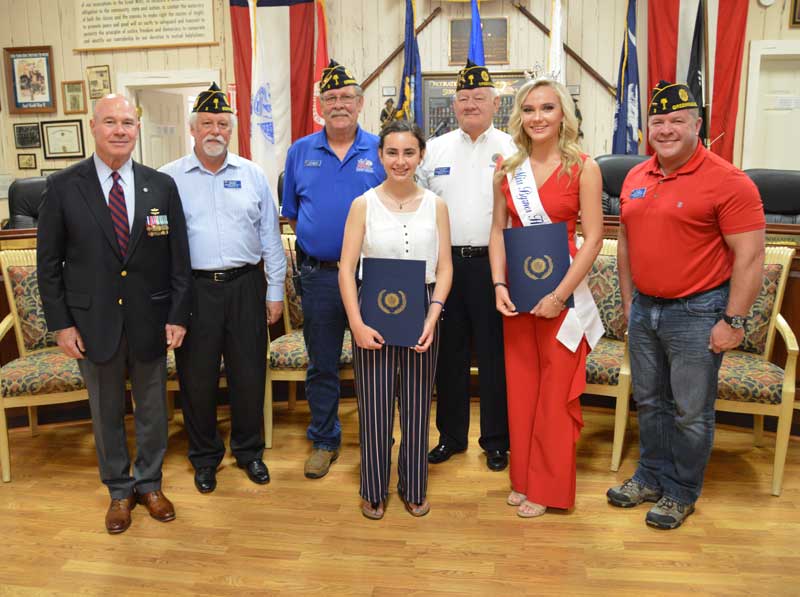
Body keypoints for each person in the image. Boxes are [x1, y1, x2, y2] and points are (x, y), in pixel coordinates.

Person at [607, 81, 765, 529]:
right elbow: (625, 245)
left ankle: (680, 491)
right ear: (647, 129)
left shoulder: (729, 181)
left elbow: (750, 256)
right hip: (645, 310)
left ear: (698, 124)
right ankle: (650, 476)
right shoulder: (636, 177)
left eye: (678, 120)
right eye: (658, 121)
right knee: (650, 403)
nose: (667, 129)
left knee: (691, 411)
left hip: (697, 313)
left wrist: (733, 320)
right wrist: (627, 302)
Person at [37, 94, 192, 534]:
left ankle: (150, 484)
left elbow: (178, 258)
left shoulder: (159, 185)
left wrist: (178, 314)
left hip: (151, 318)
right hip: (92, 323)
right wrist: (61, 324)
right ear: (93, 126)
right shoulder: (64, 185)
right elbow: (48, 266)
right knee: (106, 411)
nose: (120, 129)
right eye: (111, 121)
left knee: (152, 410)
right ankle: (119, 492)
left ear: (137, 129)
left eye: (127, 121)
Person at [160, 83, 286, 494]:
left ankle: (249, 452)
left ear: (231, 130)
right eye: (207, 124)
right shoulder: (167, 179)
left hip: (246, 286)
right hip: (193, 291)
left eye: (222, 124)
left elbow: (270, 237)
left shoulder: (251, 174)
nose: (215, 131)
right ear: (193, 129)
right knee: (196, 378)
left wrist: (275, 291)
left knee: (249, 372)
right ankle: (205, 458)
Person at [489, 78, 605, 518]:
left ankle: (550, 487)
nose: (538, 117)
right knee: (522, 390)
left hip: (564, 300)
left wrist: (559, 295)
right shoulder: (507, 169)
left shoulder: (583, 168)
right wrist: (499, 284)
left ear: (563, 116)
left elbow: (593, 239)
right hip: (518, 298)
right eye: (530, 109)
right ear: (520, 117)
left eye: (547, 108)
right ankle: (524, 479)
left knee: (555, 393)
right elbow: (497, 232)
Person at [339, 120, 453, 519]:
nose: (400, 161)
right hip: (372, 311)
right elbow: (347, 269)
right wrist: (356, 323)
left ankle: (413, 485)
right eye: (392, 152)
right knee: (374, 408)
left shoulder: (436, 205)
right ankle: (373, 487)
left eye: (409, 152)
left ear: (421, 155)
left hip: (422, 309)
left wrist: (434, 315)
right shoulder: (363, 204)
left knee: (418, 406)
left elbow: (445, 268)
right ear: (380, 156)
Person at [282, 60, 386, 479]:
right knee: (321, 362)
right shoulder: (299, 152)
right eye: (331, 98)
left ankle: (377, 440)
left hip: (372, 276)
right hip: (320, 276)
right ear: (319, 106)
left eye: (346, 97)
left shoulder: (380, 149)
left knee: (374, 363)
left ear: (360, 103)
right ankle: (324, 440)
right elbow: (292, 214)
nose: (339, 104)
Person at [418, 60, 516, 471]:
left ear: (496, 102)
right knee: (449, 357)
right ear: (453, 105)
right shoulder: (435, 150)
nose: (471, 104)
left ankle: (495, 440)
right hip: (447, 267)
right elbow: (419, 208)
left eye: (479, 97)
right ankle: (452, 437)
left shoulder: (514, 149)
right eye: (463, 98)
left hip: (495, 268)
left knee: (495, 357)